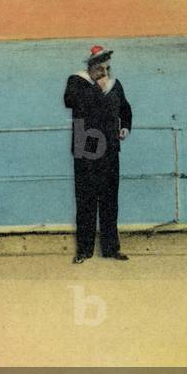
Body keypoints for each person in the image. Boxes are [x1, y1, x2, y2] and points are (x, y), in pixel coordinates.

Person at [64, 45, 133, 263]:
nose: (105, 72)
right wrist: (96, 87)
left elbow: (125, 108)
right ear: (92, 67)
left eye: (107, 67)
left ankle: (111, 248)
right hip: (86, 149)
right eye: (101, 68)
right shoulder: (76, 82)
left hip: (110, 150)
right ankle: (84, 250)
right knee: (85, 200)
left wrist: (125, 126)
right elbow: (69, 102)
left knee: (110, 200)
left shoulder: (115, 84)